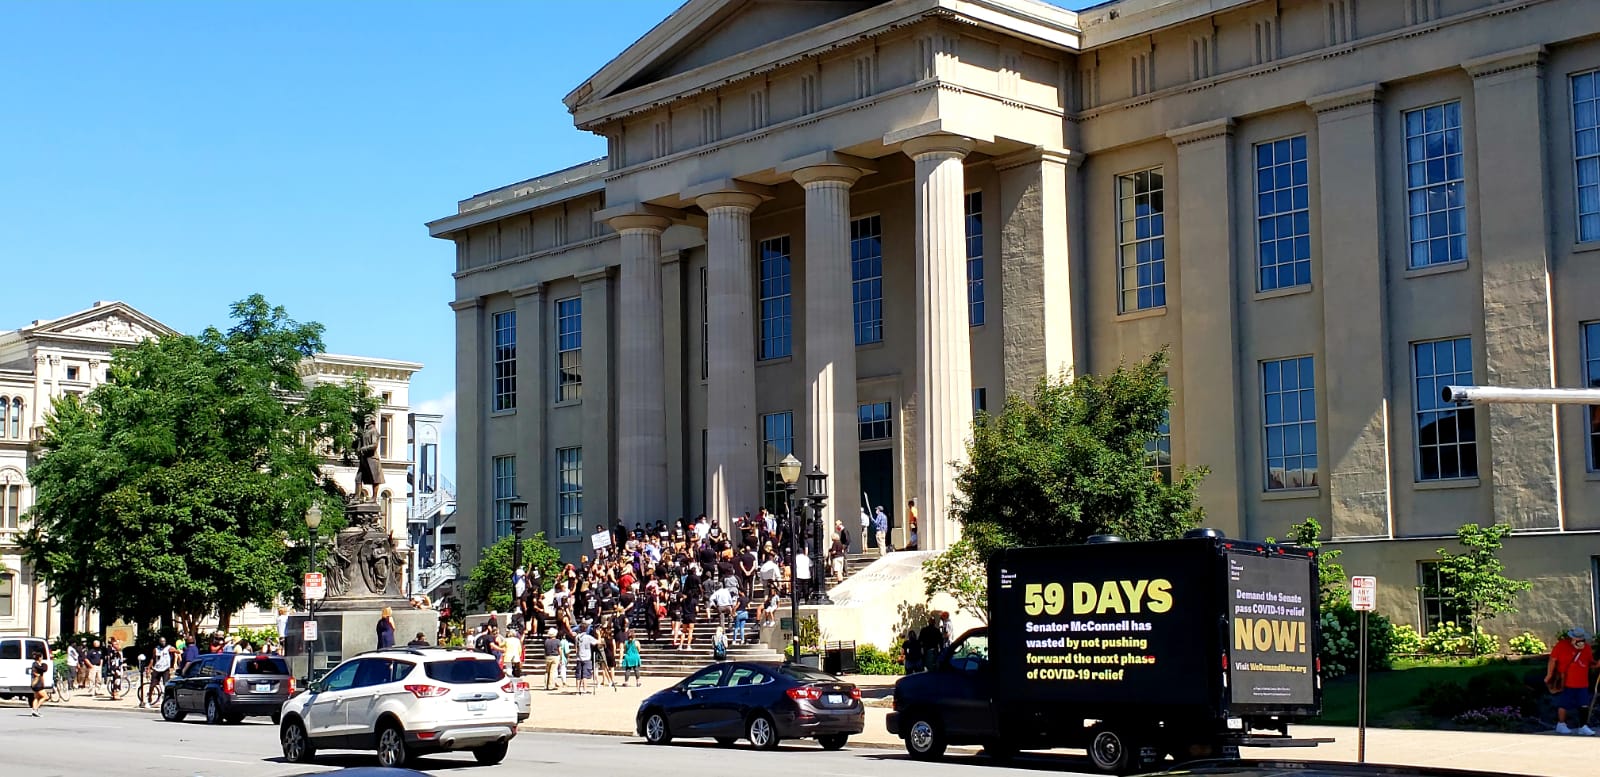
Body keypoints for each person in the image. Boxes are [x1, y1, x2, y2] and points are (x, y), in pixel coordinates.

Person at [1547, 627, 1596, 735]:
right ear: (1573, 638)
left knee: (1584, 704)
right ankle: (1561, 724)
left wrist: (1596, 664)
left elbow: (1590, 663)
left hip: (1582, 682)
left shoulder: (1586, 648)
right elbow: (1552, 660)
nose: (1581, 641)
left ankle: (1583, 726)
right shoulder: (1562, 646)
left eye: (1582, 639)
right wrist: (1549, 675)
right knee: (1564, 704)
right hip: (1566, 681)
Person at [144, 637, 178, 709]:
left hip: (165, 669)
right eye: (161, 642)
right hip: (157, 668)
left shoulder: (169, 648)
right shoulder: (156, 649)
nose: (163, 643)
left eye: (164, 641)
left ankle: (166, 699)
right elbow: (153, 659)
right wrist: (149, 667)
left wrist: (174, 663)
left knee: (166, 684)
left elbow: (177, 652)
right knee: (152, 685)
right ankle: (149, 699)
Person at [28, 648, 49, 716]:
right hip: (37, 684)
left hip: (36, 683)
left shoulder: (35, 664)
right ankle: (35, 709)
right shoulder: (36, 665)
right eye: (42, 657)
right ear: (39, 657)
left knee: (36, 697)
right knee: (45, 697)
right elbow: (43, 669)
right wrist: (43, 665)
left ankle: (34, 710)